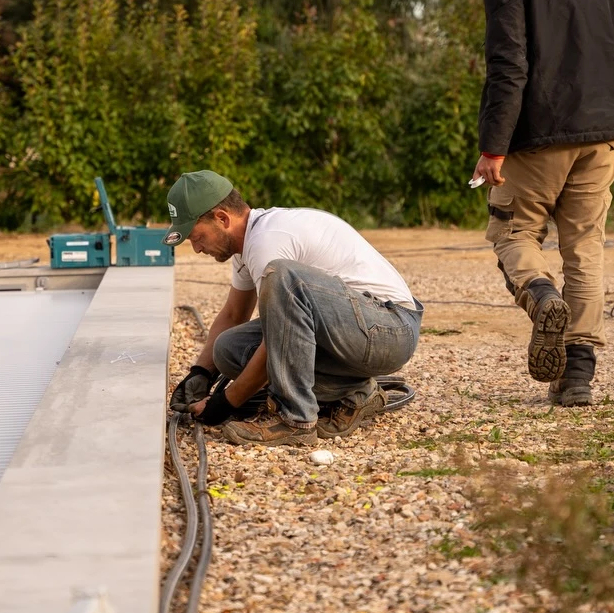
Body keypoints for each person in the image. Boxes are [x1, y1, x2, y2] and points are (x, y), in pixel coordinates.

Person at [459, 0, 614, 406]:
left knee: (513, 231)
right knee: (585, 248)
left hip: (537, 137)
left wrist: (493, 147)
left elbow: (508, 64)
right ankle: (577, 378)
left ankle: (541, 296)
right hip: (603, 135)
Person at [163, 170, 422, 446]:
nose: (197, 249)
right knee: (228, 348)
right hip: (359, 329)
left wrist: (225, 402)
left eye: (196, 237)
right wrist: (201, 373)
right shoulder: (248, 243)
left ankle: (297, 420)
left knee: (284, 278)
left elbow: (275, 343)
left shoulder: (267, 241)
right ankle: (354, 391)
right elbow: (233, 315)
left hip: (390, 329)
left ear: (222, 218)